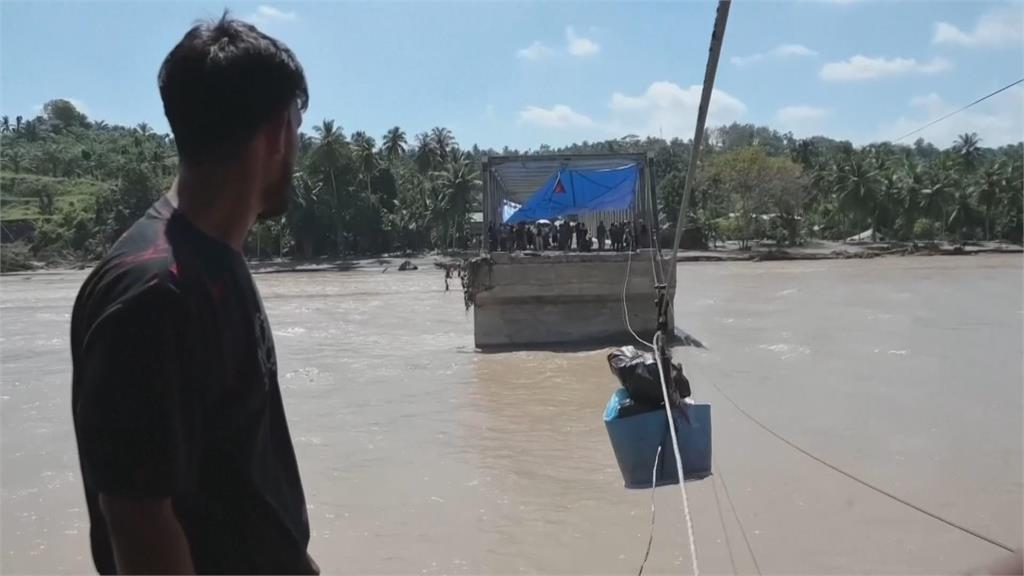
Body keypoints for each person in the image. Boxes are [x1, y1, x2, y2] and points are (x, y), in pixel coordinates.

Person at [69, 16, 317, 574]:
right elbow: (139, 522)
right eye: (297, 127)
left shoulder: (209, 262)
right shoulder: (154, 294)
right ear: (278, 133)